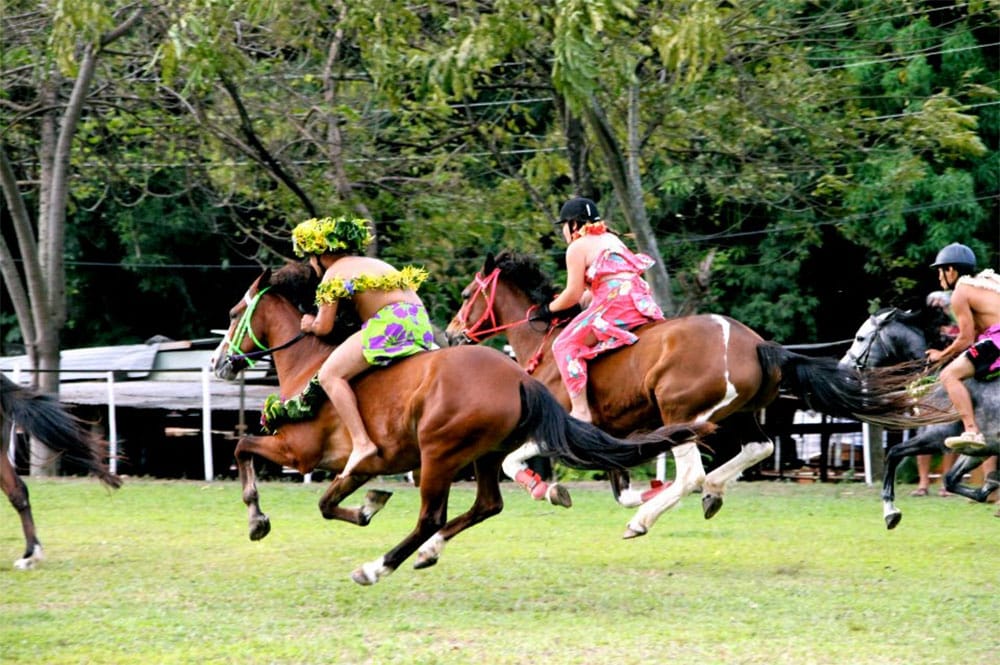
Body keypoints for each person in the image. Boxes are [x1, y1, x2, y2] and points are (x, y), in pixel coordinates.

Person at [292, 216, 436, 478]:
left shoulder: (333, 274)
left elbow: (324, 328)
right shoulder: (377, 264)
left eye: (310, 257)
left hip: (389, 324)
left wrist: (309, 324)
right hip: (419, 322)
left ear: (320, 255)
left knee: (329, 375)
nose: (311, 264)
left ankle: (361, 443)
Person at [537, 196, 665, 423]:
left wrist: (548, 309)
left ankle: (580, 410)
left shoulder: (577, 247)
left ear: (574, 224)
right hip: (638, 301)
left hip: (614, 305)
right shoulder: (612, 239)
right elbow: (602, 286)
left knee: (563, 344)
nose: (564, 232)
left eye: (564, 226)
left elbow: (572, 293)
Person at [924, 243, 1000, 452]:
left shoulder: (961, 292)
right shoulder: (984, 283)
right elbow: (975, 333)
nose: (940, 278)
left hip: (997, 339)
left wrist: (941, 356)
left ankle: (971, 431)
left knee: (949, 375)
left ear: (951, 270)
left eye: (941, 271)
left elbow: (966, 339)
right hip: (994, 338)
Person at [912, 290, 957, 496]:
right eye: (934, 304)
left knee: (949, 434)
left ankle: (946, 483)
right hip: (926, 384)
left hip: (949, 382)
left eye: (941, 304)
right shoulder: (924, 331)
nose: (938, 307)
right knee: (923, 434)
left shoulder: (956, 328)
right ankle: (923, 484)